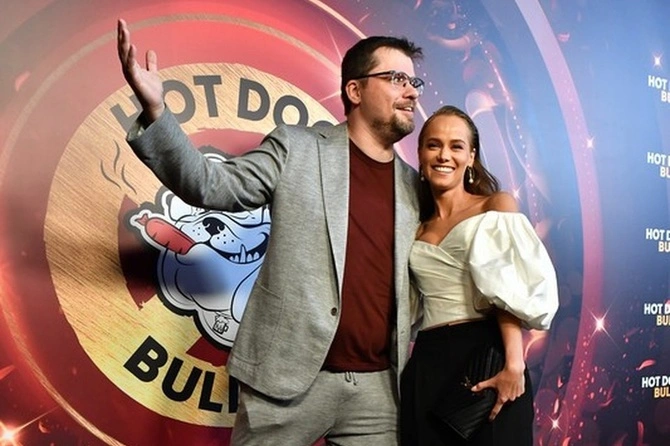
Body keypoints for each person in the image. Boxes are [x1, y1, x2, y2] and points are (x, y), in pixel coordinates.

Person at [116, 19, 424, 446]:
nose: (411, 92)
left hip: (378, 391)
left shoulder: (415, 187)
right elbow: (210, 184)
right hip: (287, 381)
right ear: (355, 91)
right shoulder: (297, 148)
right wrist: (157, 113)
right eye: (396, 79)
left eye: (414, 82)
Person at [400, 105, 559, 445]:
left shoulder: (495, 206)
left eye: (456, 146)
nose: (444, 155)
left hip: (487, 356)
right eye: (433, 145)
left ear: (471, 157)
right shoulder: (414, 227)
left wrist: (514, 364)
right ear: (421, 154)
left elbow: (505, 289)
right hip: (427, 362)